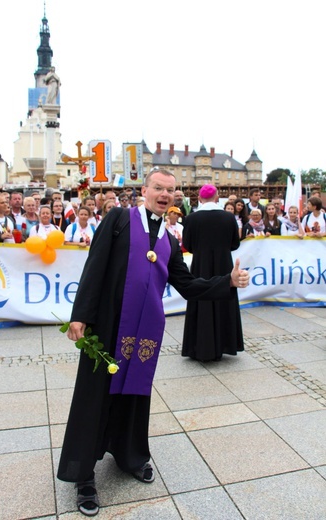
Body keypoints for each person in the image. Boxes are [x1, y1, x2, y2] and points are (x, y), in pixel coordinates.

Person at [57, 169, 249, 517]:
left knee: (134, 394)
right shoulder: (118, 219)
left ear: (176, 197)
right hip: (108, 326)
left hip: (144, 332)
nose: (164, 194)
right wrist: (80, 316)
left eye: (170, 191)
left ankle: (129, 455)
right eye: (158, 188)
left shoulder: (169, 240)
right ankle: (83, 475)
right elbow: (94, 267)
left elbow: (188, 285)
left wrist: (228, 282)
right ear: (144, 190)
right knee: (95, 397)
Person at [182, 184, 243, 362]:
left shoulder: (192, 219)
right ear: (217, 198)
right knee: (224, 298)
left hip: (201, 265)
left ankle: (200, 346)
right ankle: (225, 343)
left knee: (201, 299)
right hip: (224, 264)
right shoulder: (228, 217)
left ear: (200, 199)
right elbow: (235, 244)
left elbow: (188, 245)